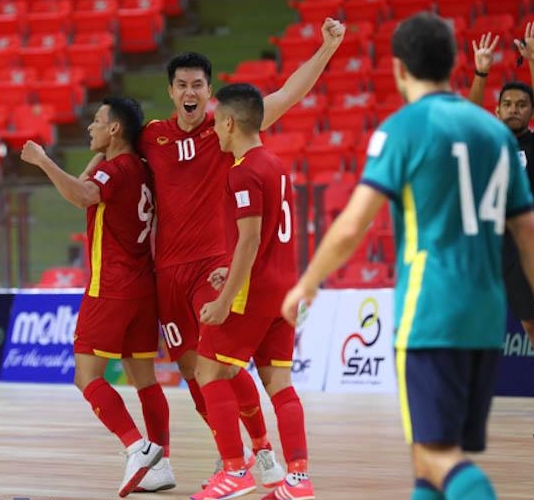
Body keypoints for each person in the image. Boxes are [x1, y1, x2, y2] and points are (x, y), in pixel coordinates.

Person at [281, 12, 534, 500]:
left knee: (437, 456)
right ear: (456, 65)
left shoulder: (407, 129)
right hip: (484, 310)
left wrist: (308, 280)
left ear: (400, 69)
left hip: (435, 305)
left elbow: (353, 223)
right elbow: (530, 234)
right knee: (432, 458)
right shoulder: (494, 141)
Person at [136, 17, 346, 487]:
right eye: (182, 84)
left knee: (218, 366)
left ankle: (256, 455)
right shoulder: (151, 136)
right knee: (194, 371)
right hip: (168, 270)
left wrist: (325, 50)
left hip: (218, 265)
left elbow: (290, 93)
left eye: (198, 84)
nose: (190, 91)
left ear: (209, 92)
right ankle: (246, 459)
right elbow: (112, 148)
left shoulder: (227, 129)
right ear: (171, 92)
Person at [20, 97, 171, 497]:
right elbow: (92, 185)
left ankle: (136, 447)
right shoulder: (138, 168)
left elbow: (84, 195)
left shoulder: (115, 170)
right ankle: (162, 462)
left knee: (86, 376)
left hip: (112, 288)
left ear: (115, 129)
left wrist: (43, 161)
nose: (90, 127)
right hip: (143, 287)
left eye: (97, 121)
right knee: (145, 381)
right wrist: (94, 161)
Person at [189, 83, 313, 500]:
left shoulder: (241, 170)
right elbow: (264, 242)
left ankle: (234, 471)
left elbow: (250, 238)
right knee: (279, 381)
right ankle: (297, 479)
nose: (215, 131)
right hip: (284, 288)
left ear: (229, 122)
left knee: (210, 370)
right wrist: (231, 271)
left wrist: (225, 300)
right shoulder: (275, 164)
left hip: (255, 293)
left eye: (216, 122)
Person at [468, 22, 534, 439]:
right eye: (506, 103)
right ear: (497, 109)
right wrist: (481, 73)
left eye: (521, 105)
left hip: (523, 255)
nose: (514, 109)